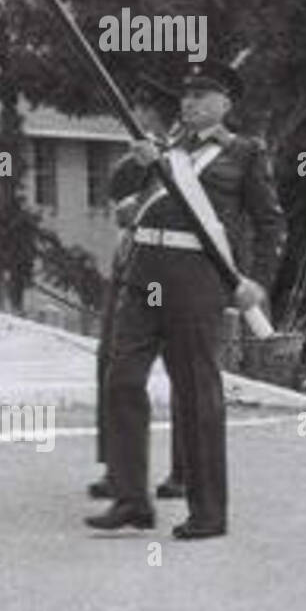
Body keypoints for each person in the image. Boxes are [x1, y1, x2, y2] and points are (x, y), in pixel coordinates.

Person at [87, 61, 286, 540]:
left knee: (198, 397)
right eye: (187, 94)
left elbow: (270, 223)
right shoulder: (164, 151)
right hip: (144, 277)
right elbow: (116, 191)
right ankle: (133, 500)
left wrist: (258, 280)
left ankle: (208, 512)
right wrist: (138, 161)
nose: (190, 101)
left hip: (197, 282)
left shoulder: (244, 153)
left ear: (226, 103)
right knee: (121, 382)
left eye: (203, 94)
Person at [88, 77, 183, 502]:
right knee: (112, 364)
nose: (135, 114)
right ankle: (120, 471)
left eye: (141, 107)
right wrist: (149, 155)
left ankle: (186, 471)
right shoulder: (144, 152)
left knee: (186, 373)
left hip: (178, 272)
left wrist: (165, 156)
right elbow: (117, 189)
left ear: (153, 110)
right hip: (132, 266)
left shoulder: (192, 153)